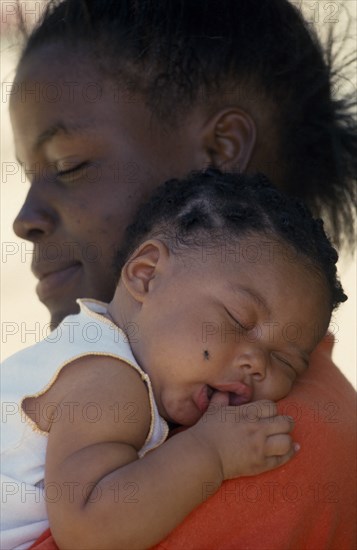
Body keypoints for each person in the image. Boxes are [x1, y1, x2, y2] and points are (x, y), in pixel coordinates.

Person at [7, 0, 356, 548]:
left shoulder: (284, 444)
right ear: (145, 272)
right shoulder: (122, 378)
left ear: (218, 153)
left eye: (69, 165)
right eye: (30, 176)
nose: (24, 219)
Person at [0, 170, 348, 550]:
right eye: (238, 320)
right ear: (147, 275)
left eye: (285, 361)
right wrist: (210, 453)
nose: (257, 363)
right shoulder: (108, 380)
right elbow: (89, 530)